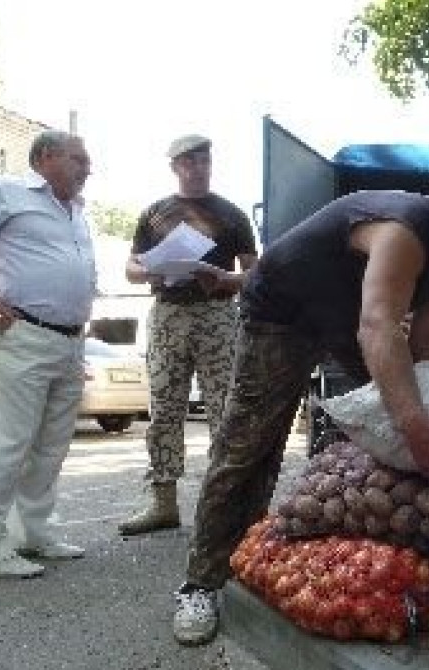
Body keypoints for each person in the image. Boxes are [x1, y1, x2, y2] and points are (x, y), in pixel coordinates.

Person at [171, 175, 429, 646]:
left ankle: (267, 554)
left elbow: (426, 345)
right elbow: (379, 325)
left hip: (345, 320)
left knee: (384, 422)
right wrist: (414, 427)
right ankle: (200, 584)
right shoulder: (404, 230)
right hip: (282, 315)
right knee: (248, 448)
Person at [0, 130, 95, 578]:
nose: (89, 167)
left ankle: (31, 531)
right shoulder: (3, 192)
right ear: (46, 157)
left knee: (51, 444)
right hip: (22, 334)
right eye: (79, 158)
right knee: (8, 439)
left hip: (69, 340)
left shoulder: (76, 211)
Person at [120, 134, 257, 536]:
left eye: (204, 160)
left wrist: (226, 277)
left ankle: (222, 507)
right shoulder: (155, 213)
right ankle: (163, 503)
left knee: (224, 410)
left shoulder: (231, 214)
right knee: (163, 408)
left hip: (217, 316)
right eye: (189, 161)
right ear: (175, 166)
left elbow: (254, 273)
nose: (198, 167)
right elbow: (130, 268)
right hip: (167, 315)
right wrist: (153, 271)